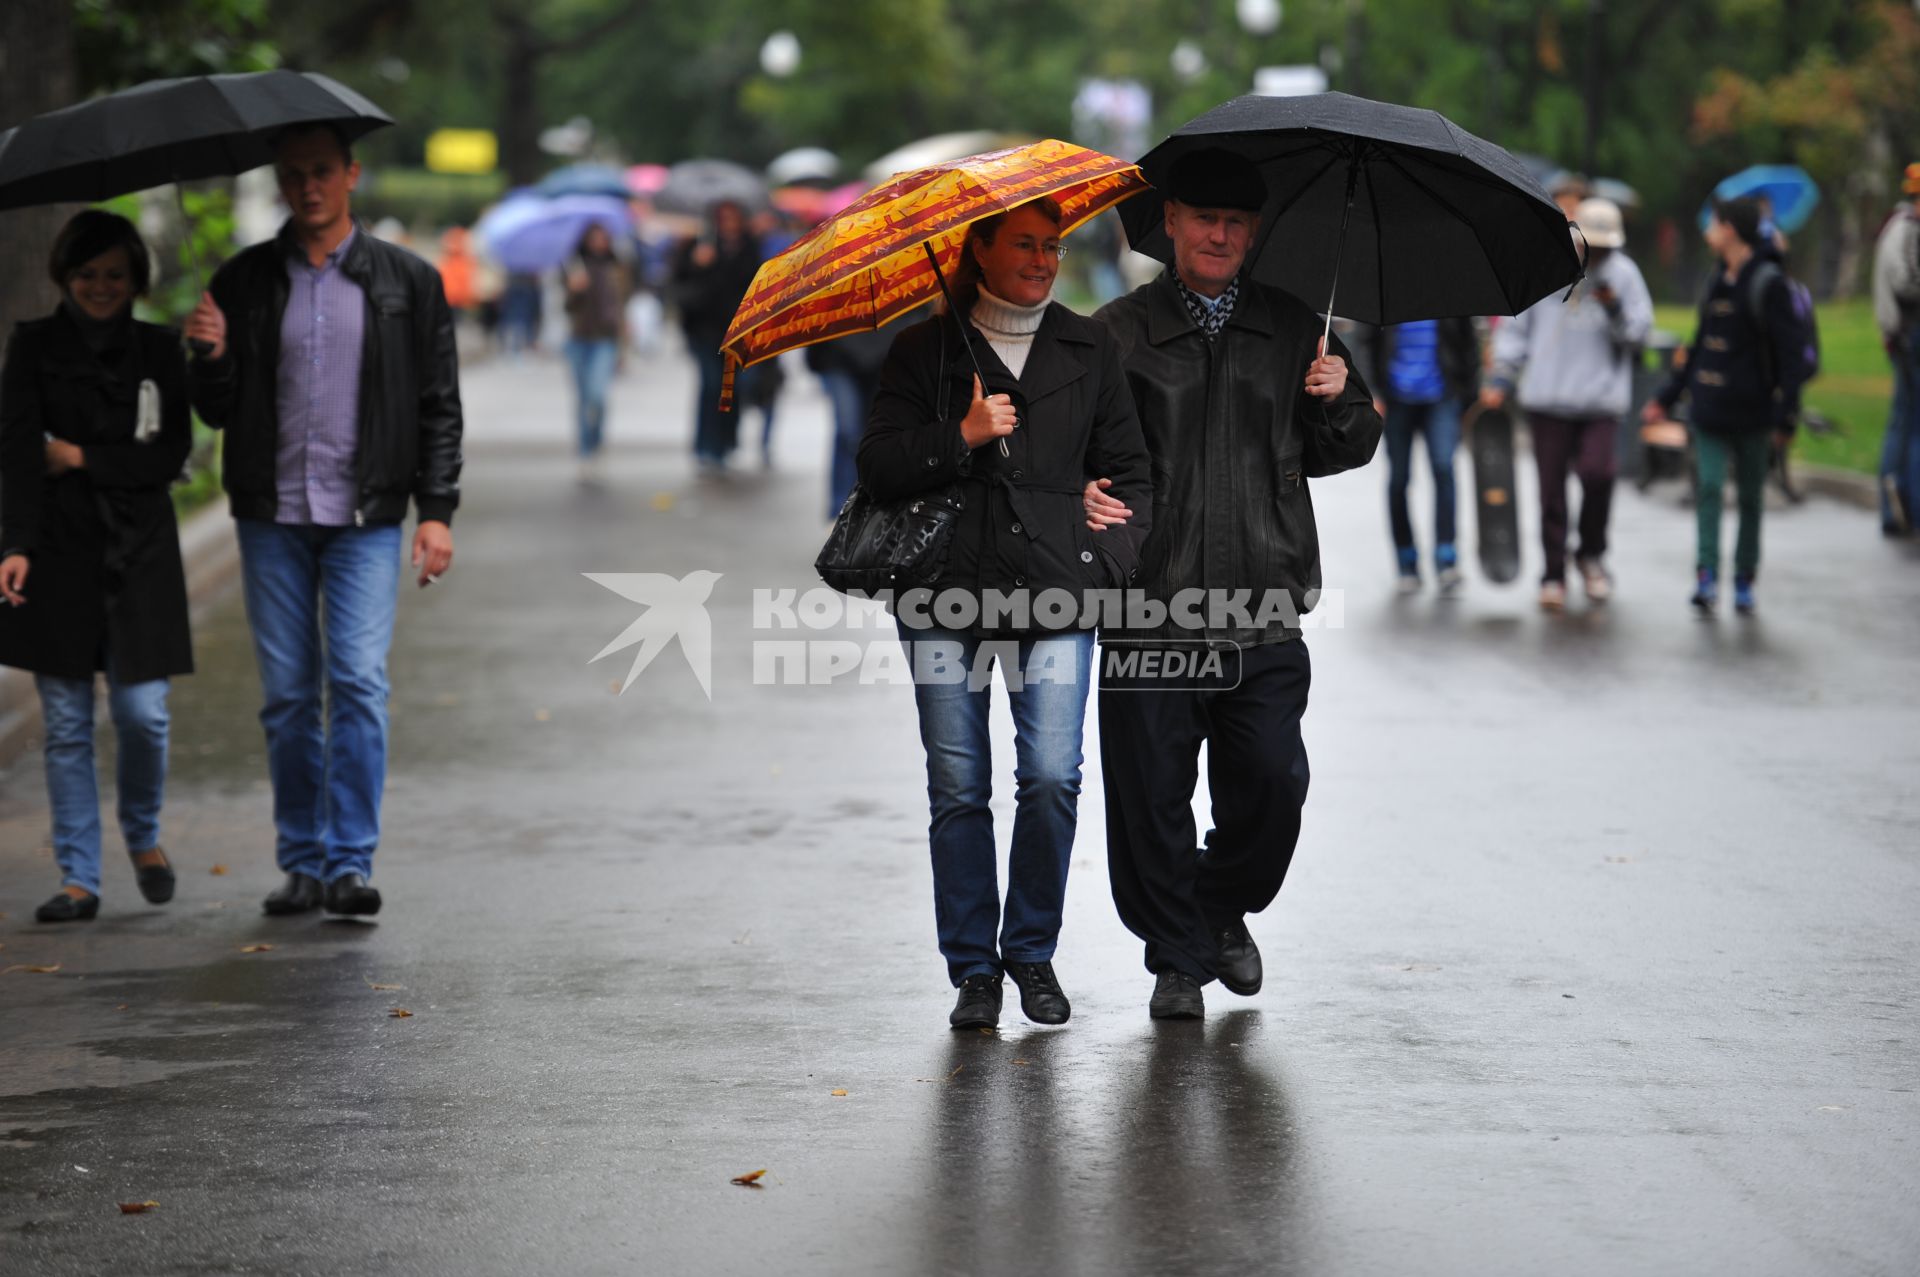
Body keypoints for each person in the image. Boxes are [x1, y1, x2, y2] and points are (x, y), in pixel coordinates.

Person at [1087, 149, 1382, 1020]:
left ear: (1254, 234)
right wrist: (1083, 490)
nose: (1218, 233)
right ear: (1170, 222)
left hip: (1262, 605)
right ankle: (1177, 960)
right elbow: (1074, 452)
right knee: (1151, 800)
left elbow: (1349, 443)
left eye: (1235, 222)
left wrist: (1337, 397)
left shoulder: (1298, 329)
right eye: (1203, 217)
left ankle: (1218, 906)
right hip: (1150, 605)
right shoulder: (1115, 334)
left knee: (1271, 784)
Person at [858, 197, 1153, 1030]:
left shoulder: (1087, 345)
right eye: (1022, 244)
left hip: (1058, 589)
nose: (1040, 260)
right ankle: (974, 970)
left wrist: (1108, 536)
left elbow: (1130, 470)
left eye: (1052, 247)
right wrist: (961, 433)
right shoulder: (925, 348)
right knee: (958, 784)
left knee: (1053, 776)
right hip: (943, 593)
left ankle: (1030, 950)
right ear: (977, 250)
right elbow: (877, 466)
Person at [185, 122, 463, 917]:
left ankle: (348, 862)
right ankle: (302, 862)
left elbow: (438, 406)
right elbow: (218, 412)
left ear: (351, 175)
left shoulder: (408, 281)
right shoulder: (242, 280)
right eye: (294, 174)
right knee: (287, 696)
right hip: (271, 515)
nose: (308, 186)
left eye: (322, 171)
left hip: (365, 518)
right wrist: (208, 358)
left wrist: (435, 513)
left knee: (358, 682)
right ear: (280, 183)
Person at [0, 211, 194, 923]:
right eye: (87, 275)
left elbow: (173, 454)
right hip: (56, 547)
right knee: (67, 720)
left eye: (115, 274)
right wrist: (12, 544)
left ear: (135, 278)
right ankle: (79, 875)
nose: (101, 287)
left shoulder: (160, 349)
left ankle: (142, 834)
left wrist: (81, 457)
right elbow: (18, 453)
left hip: (140, 549)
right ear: (65, 277)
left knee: (143, 713)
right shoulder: (33, 346)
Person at [1483, 197, 1652, 611]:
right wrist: (1503, 375)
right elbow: (1516, 328)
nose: (1600, 255)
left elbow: (1639, 337)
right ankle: (1553, 572)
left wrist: (1613, 309)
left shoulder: (1625, 275)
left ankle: (1591, 554)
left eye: (1606, 247)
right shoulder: (1546, 269)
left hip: (1600, 402)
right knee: (1551, 494)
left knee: (1599, 476)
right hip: (1549, 399)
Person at [1645, 196, 1806, 615]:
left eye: (1713, 223)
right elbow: (1699, 347)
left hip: (1753, 413)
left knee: (1751, 496)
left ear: (1730, 228)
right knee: (1711, 488)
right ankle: (1706, 574)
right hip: (1710, 410)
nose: (1707, 232)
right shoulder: (1716, 278)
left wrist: (1786, 414)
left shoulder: (1768, 283)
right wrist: (1666, 398)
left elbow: (1791, 357)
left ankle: (1745, 578)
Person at [1361, 318, 1480, 591]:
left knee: (1443, 469)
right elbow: (1365, 343)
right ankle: (1406, 560)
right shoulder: (1384, 288)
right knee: (1399, 478)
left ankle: (1446, 556)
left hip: (1442, 396)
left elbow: (1468, 344)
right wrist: (1372, 392)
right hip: (1395, 398)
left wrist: (1469, 400)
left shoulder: (1449, 289)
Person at [670, 200, 763, 472]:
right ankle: (705, 445)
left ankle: (726, 442)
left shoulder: (750, 246)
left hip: (737, 331)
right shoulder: (700, 245)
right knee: (711, 385)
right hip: (705, 330)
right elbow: (680, 283)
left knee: (731, 389)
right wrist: (700, 264)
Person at [1871, 162, 1920, 536]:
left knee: (1905, 421)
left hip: (1905, 337)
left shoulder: (1902, 229)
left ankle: (1899, 501)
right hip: (1909, 337)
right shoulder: (1904, 230)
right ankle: (1903, 504)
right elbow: (1905, 283)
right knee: (1909, 423)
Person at [562, 223, 631, 482]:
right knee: (582, 398)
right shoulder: (574, 266)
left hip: (606, 339)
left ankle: (596, 439)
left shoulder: (617, 267)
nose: (599, 242)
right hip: (579, 339)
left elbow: (623, 305)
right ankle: (584, 450)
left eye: (603, 237)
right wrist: (574, 289)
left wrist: (625, 341)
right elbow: (567, 308)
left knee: (597, 395)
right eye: (594, 237)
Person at [806, 324, 895, 518]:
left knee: (872, 432)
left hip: (884, 357)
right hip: (838, 359)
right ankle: (841, 504)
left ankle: (863, 502)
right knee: (848, 430)